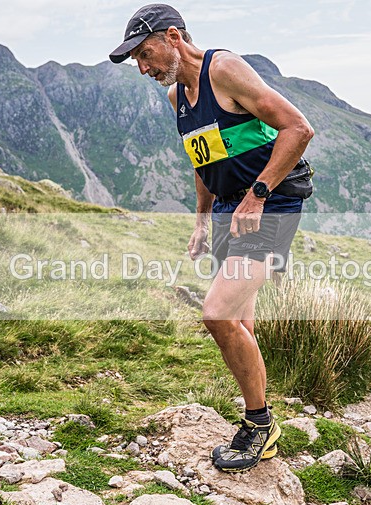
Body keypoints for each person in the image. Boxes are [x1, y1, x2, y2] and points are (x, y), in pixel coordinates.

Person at [111, 4, 314, 473]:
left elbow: (298, 128)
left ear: (174, 37)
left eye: (146, 54)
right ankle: (260, 410)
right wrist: (202, 219)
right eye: (137, 61)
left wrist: (259, 195)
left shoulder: (224, 69)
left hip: (271, 204)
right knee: (241, 319)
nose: (144, 68)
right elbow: (204, 158)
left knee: (217, 314)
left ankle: (260, 426)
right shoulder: (176, 97)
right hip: (228, 208)